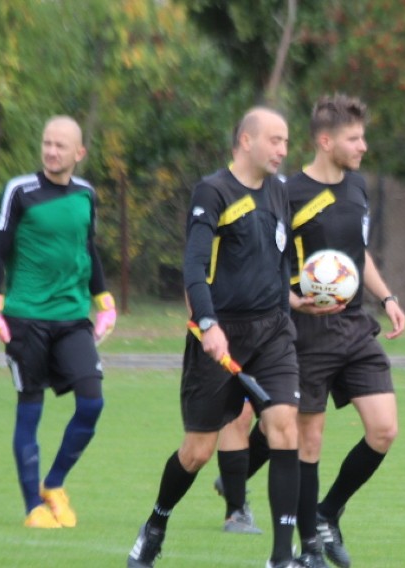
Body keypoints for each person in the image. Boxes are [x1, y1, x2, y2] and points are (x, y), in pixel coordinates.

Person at [215, 94, 405, 568]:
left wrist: (387, 297)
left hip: (355, 326)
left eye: (363, 136)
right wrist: (291, 298)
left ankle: (327, 511)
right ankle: (308, 546)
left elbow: (356, 256)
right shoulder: (287, 193)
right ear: (326, 141)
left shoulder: (358, 188)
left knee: (384, 429)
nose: (363, 146)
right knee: (308, 443)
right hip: (305, 331)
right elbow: (267, 260)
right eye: (354, 138)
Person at [127, 107, 302, 568]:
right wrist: (208, 325)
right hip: (221, 334)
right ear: (246, 141)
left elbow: (281, 264)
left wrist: (293, 306)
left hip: (273, 332)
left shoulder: (281, 194)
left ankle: (281, 558)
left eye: (286, 142)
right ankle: (155, 526)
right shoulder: (213, 191)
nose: (283, 150)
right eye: (275, 140)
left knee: (285, 427)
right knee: (198, 451)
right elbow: (193, 267)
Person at [0, 115, 117, 529]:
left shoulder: (87, 194)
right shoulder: (19, 191)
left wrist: (103, 301)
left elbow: (87, 250)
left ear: (79, 153)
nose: (51, 151)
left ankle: (53, 485)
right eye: (46, 143)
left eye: (60, 145)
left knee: (92, 402)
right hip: (25, 319)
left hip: (73, 319)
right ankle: (32, 508)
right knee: (30, 411)